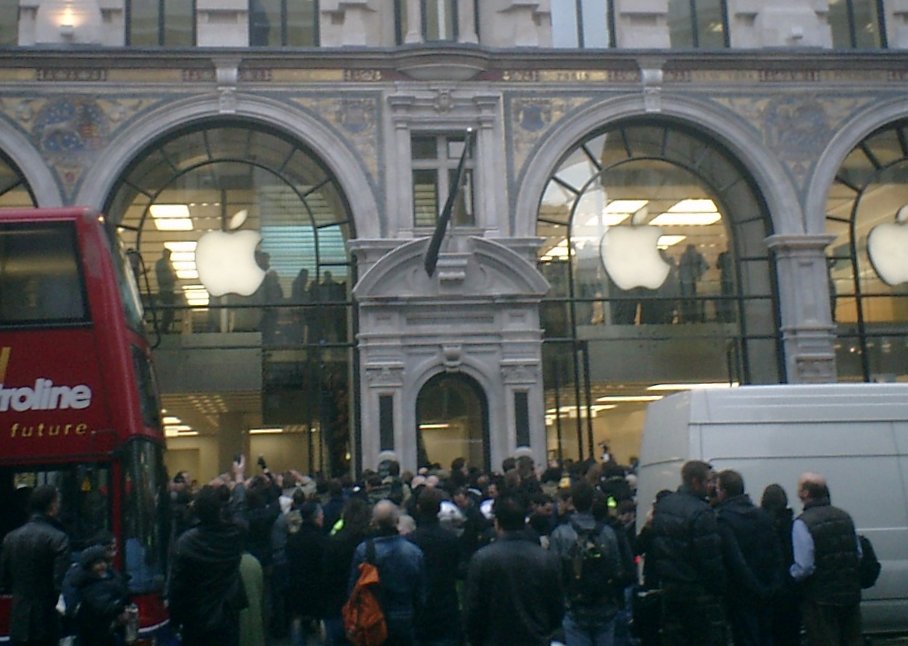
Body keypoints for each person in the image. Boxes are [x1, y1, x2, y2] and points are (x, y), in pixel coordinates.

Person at [464, 494, 565, 646]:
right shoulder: (546, 559)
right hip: (536, 639)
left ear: (497, 524)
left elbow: (473, 609)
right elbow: (556, 606)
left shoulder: (482, 559)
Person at [648, 460, 726, 646]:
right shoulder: (702, 512)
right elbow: (709, 558)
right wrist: (719, 588)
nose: (712, 486)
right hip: (696, 592)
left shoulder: (664, 506)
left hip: (669, 590)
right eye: (708, 481)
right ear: (695, 481)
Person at [168, 480, 248, 646]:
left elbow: (177, 586)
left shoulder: (186, 543)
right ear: (221, 510)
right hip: (227, 615)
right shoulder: (234, 534)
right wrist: (239, 481)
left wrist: (175, 620)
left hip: (195, 617)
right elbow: (240, 511)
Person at [790, 472, 863, 646]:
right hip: (849, 593)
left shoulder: (802, 523)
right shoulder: (845, 517)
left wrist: (790, 575)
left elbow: (804, 566)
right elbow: (858, 554)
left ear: (806, 493)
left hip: (820, 597)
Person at [549, 480, 622, 646]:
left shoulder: (560, 534)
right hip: (604, 606)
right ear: (592, 502)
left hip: (575, 607)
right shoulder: (608, 533)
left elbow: (555, 574)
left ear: (572, 502)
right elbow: (617, 569)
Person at [714, 469, 783, 646]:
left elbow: (736, 560)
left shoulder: (724, 520)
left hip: (741, 592)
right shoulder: (763, 516)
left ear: (723, 492)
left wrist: (753, 586)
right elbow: (776, 552)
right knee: (767, 636)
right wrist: (772, 585)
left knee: (746, 637)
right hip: (767, 588)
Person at [0, 484, 70, 646]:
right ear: (52, 505)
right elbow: (59, 583)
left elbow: (4, 580)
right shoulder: (58, 539)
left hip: (19, 620)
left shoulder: (11, 538)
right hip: (46, 621)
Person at [348, 499, 426, 645]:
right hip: (405, 616)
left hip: (373, 618)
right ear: (397, 520)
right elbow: (420, 592)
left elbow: (353, 589)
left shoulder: (363, 551)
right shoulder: (413, 552)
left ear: (375, 522)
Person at [407, 487, 462, 646]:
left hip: (419, 609)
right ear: (439, 509)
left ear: (418, 507)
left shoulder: (411, 540)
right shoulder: (450, 539)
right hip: (446, 606)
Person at [760, 483, 801, 646]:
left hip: (767, 590)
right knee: (791, 635)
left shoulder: (761, 525)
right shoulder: (794, 526)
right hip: (790, 591)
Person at [72, 544, 129, 646]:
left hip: (110, 631)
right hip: (95, 633)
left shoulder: (112, 576)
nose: (102, 565)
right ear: (89, 565)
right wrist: (120, 607)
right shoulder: (87, 583)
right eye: (98, 563)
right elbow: (102, 606)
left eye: (104, 562)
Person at [155, 247, 178, 333]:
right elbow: (163, 278)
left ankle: (164, 327)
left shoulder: (164, 263)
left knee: (169, 309)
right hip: (166, 290)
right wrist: (173, 278)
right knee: (168, 309)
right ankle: (164, 328)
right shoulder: (163, 264)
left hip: (167, 289)